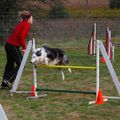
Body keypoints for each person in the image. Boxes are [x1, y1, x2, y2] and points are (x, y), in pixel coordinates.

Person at [0, 10, 33, 89]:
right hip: (12, 46)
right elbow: (21, 36)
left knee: (10, 64)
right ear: (29, 18)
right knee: (22, 65)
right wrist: (24, 47)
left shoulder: (22, 23)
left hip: (8, 45)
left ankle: (4, 84)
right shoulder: (26, 24)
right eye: (32, 18)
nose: (32, 20)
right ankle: (8, 80)